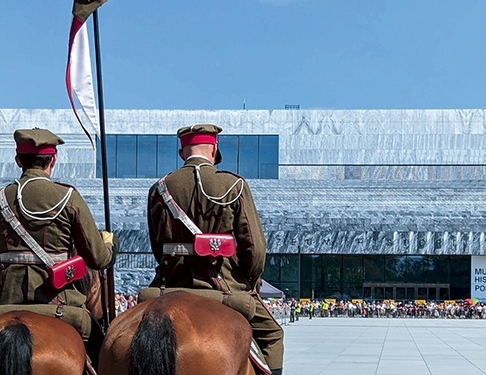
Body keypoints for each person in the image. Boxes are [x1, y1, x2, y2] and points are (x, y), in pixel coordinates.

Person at [147, 124, 284, 375]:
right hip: (223, 289)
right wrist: (247, 280)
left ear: (181, 153)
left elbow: (158, 248)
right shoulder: (233, 186)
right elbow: (255, 248)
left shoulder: (160, 189)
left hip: (168, 285)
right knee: (274, 335)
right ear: (214, 149)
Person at [0, 128, 119, 362]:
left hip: (5, 301)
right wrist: (111, 245)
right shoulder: (67, 197)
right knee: (103, 352)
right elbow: (98, 259)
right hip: (59, 305)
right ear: (53, 159)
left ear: (17, 160)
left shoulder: (2, 198)